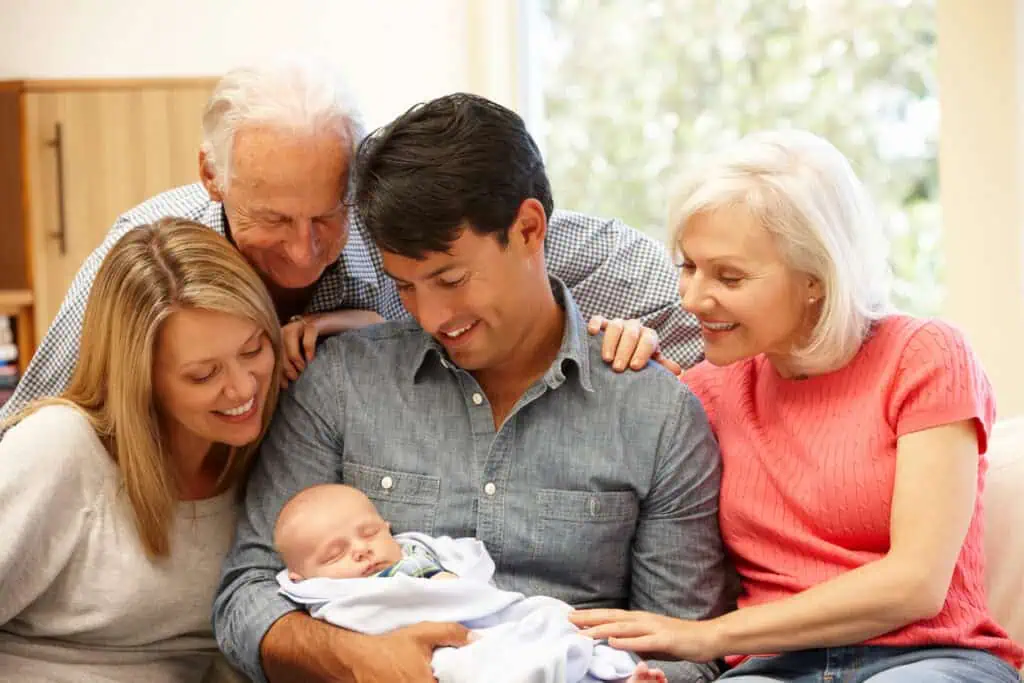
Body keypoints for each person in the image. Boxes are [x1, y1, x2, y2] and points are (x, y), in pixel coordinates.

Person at [212, 93, 730, 683]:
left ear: (529, 229)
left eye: (451, 278)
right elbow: (245, 596)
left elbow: (686, 649)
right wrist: (358, 659)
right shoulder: (340, 384)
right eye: (405, 287)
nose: (432, 316)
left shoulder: (657, 415)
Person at [0, 55, 701, 426]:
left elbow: (603, 263)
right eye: (273, 219)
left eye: (329, 214)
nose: (303, 250)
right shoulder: (142, 260)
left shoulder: (389, 220)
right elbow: (40, 421)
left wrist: (632, 345)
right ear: (212, 176)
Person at [570, 130, 1024, 682]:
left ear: (815, 280)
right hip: (776, 667)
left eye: (729, 276)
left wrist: (708, 635)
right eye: (688, 267)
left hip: (931, 658)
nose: (691, 299)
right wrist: (624, 365)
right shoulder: (705, 391)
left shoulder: (925, 356)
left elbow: (915, 584)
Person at [0, 218, 283, 683]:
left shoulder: (270, 451)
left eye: (253, 350)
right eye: (203, 375)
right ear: (141, 379)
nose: (242, 388)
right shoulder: (61, 445)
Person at [272, 484, 667, 683]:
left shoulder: (417, 550)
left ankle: (612, 675)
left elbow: (473, 568)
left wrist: (457, 581)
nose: (361, 550)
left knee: (553, 619)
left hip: (492, 620)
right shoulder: (337, 597)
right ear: (301, 578)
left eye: (369, 533)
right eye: (334, 554)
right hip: (432, 655)